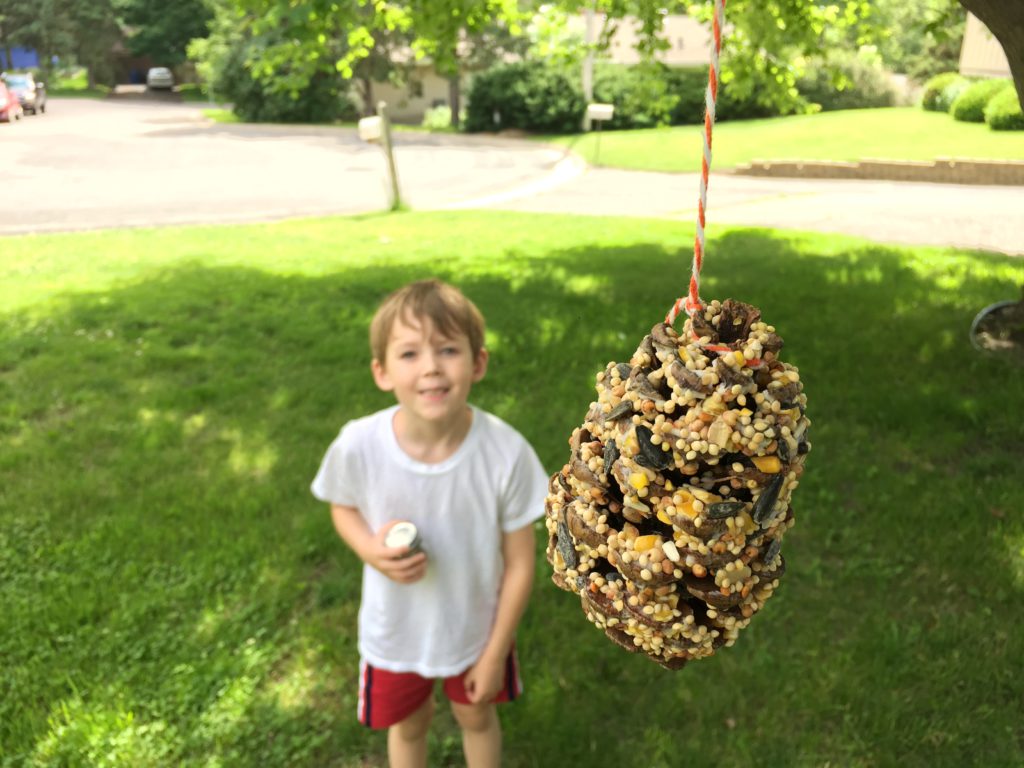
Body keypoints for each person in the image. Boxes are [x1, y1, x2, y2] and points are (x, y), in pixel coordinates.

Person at [311, 279, 548, 768]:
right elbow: (342, 504)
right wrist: (368, 549)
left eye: (447, 349)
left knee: (477, 717)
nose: (431, 367)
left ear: (478, 362)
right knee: (409, 725)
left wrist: (494, 651)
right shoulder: (359, 445)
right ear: (381, 372)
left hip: (476, 630)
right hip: (396, 631)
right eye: (409, 353)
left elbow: (522, 563)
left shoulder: (505, 453)